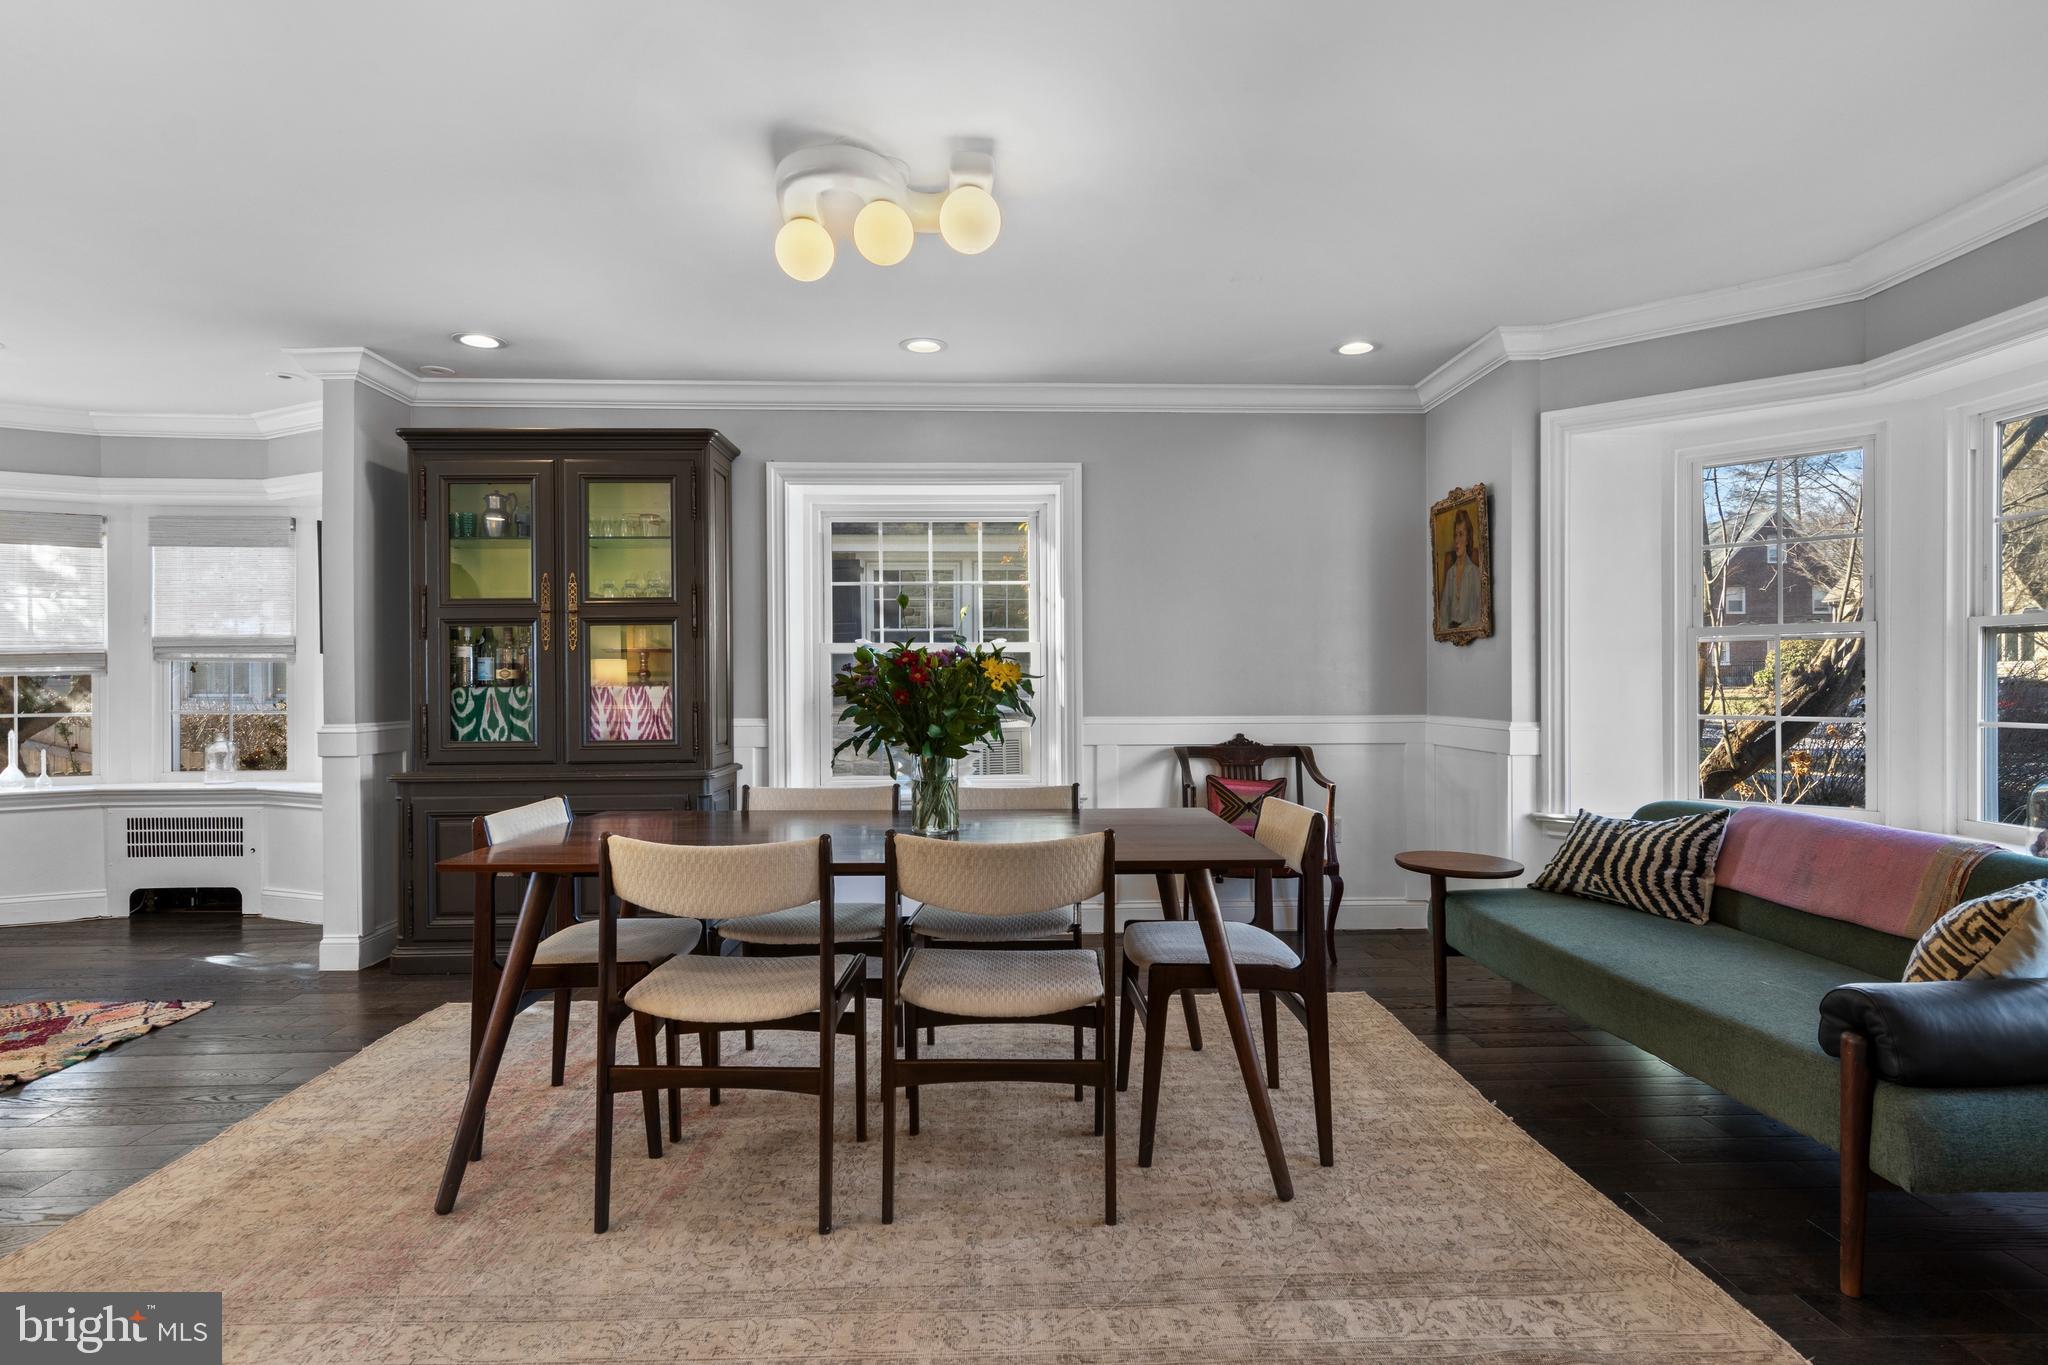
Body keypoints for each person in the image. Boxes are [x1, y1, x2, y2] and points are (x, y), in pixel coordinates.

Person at [1436, 507, 1484, 632]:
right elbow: (1443, 613)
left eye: (1461, 534)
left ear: (1468, 539)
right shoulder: (1450, 572)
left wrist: (1458, 630)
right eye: (1455, 535)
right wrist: (1447, 631)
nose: (1457, 540)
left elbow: (1476, 616)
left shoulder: (1474, 573)